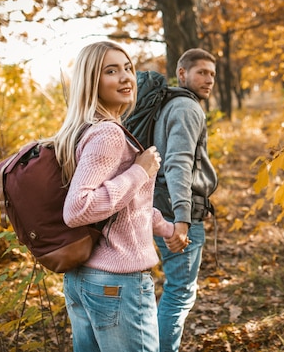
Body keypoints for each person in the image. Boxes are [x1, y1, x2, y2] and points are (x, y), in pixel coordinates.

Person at [54, 40, 175, 352]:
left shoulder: (85, 129)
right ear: (92, 81)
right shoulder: (107, 133)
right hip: (115, 282)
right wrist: (141, 171)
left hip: (85, 276)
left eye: (128, 68)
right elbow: (78, 208)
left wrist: (165, 228)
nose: (125, 77)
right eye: (111, 71)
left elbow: (127, 207)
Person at [152, 48, 219, 352]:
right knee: (179, 293)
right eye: (202, 72)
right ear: (182, 74)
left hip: (161, 205)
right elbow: (178, 162)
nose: (209, 80)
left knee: (172, 291)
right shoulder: (187, 108)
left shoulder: (167, 105)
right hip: (179, 212)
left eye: (212, 74)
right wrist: (182, 219)